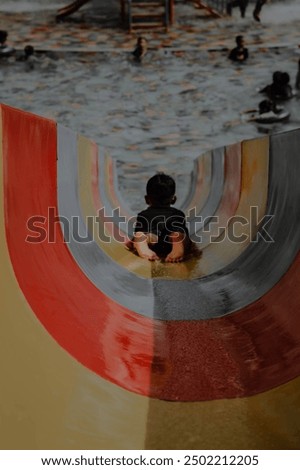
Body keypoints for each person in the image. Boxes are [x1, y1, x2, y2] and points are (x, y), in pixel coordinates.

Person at [132, 173, 191, 262]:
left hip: (153, 240)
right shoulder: (178, 214)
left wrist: (134, 240)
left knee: (142, 235)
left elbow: (135, 236)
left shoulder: (143, 215)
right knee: (179, 235)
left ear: (147, 199)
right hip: (170, 241)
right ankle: (177, 242)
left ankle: (142, 246)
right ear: (174, 199)